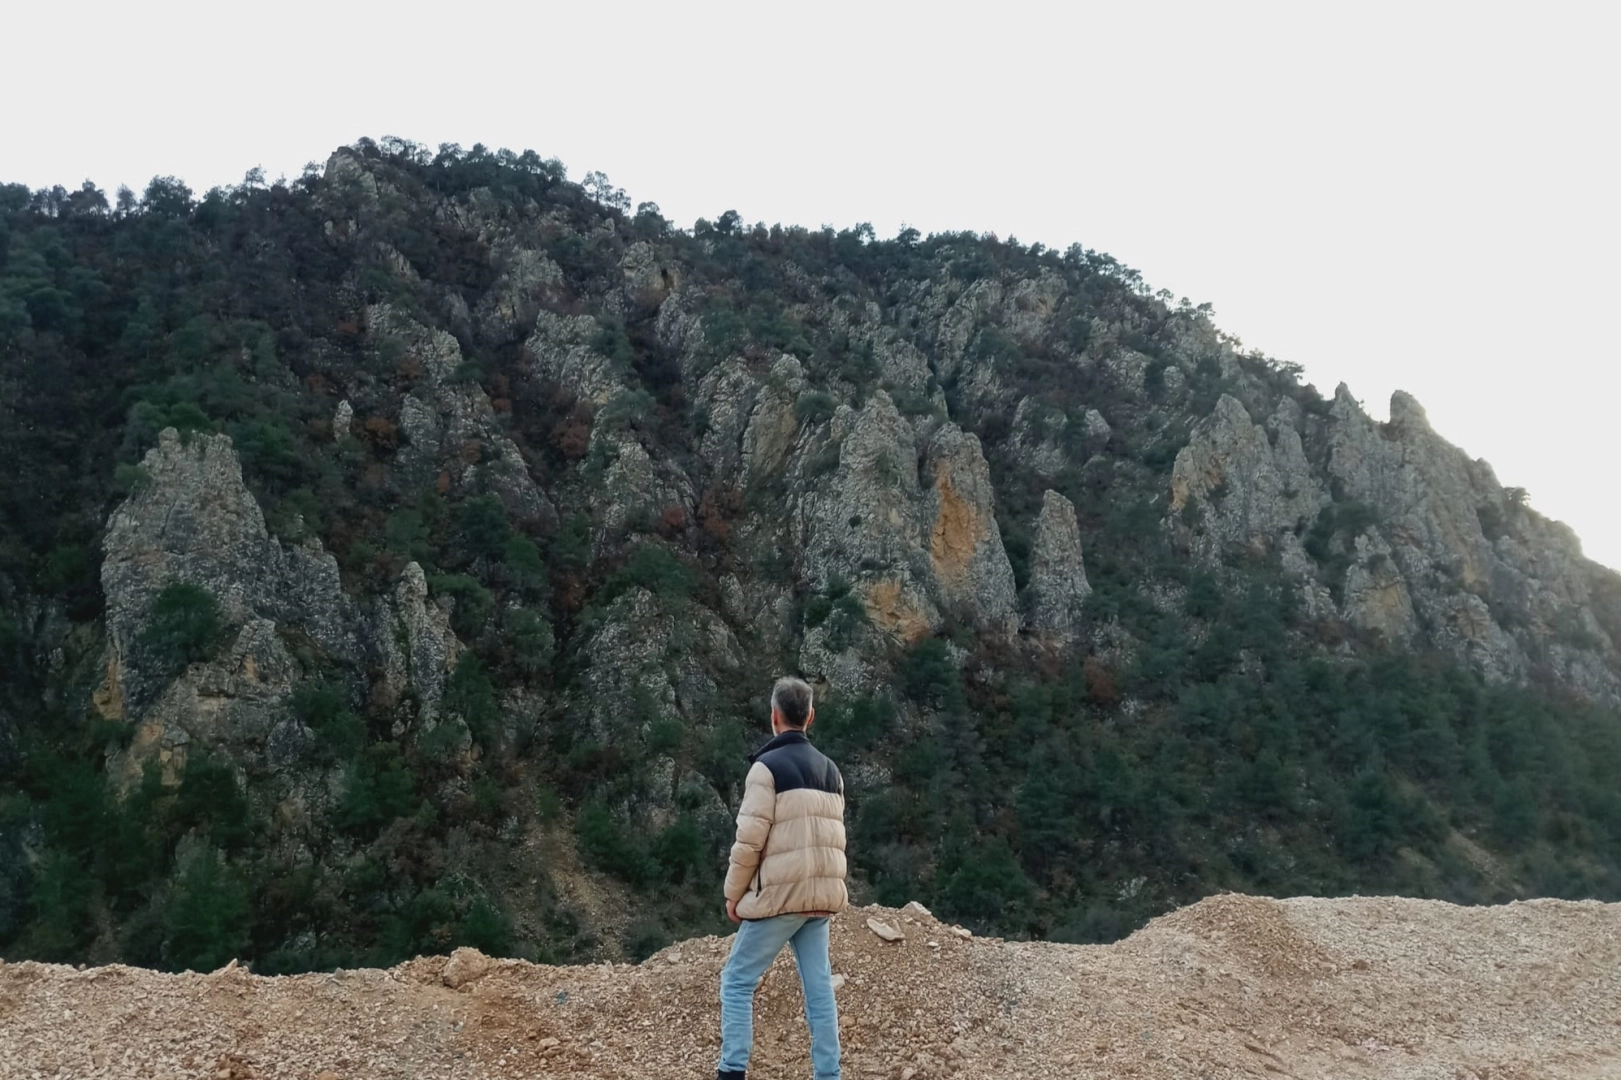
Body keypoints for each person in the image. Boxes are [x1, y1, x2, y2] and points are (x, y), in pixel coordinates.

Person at [716, 676, 847, 1080]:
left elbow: (749, 841)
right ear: (810, 716)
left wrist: (734, 895)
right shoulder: (832, 771)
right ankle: (829, 1074)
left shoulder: (766, 768)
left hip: (780, 897)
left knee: (736, 981)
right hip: (821, 898)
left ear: (774, 716)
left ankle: (731, 1071)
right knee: (819, 988)